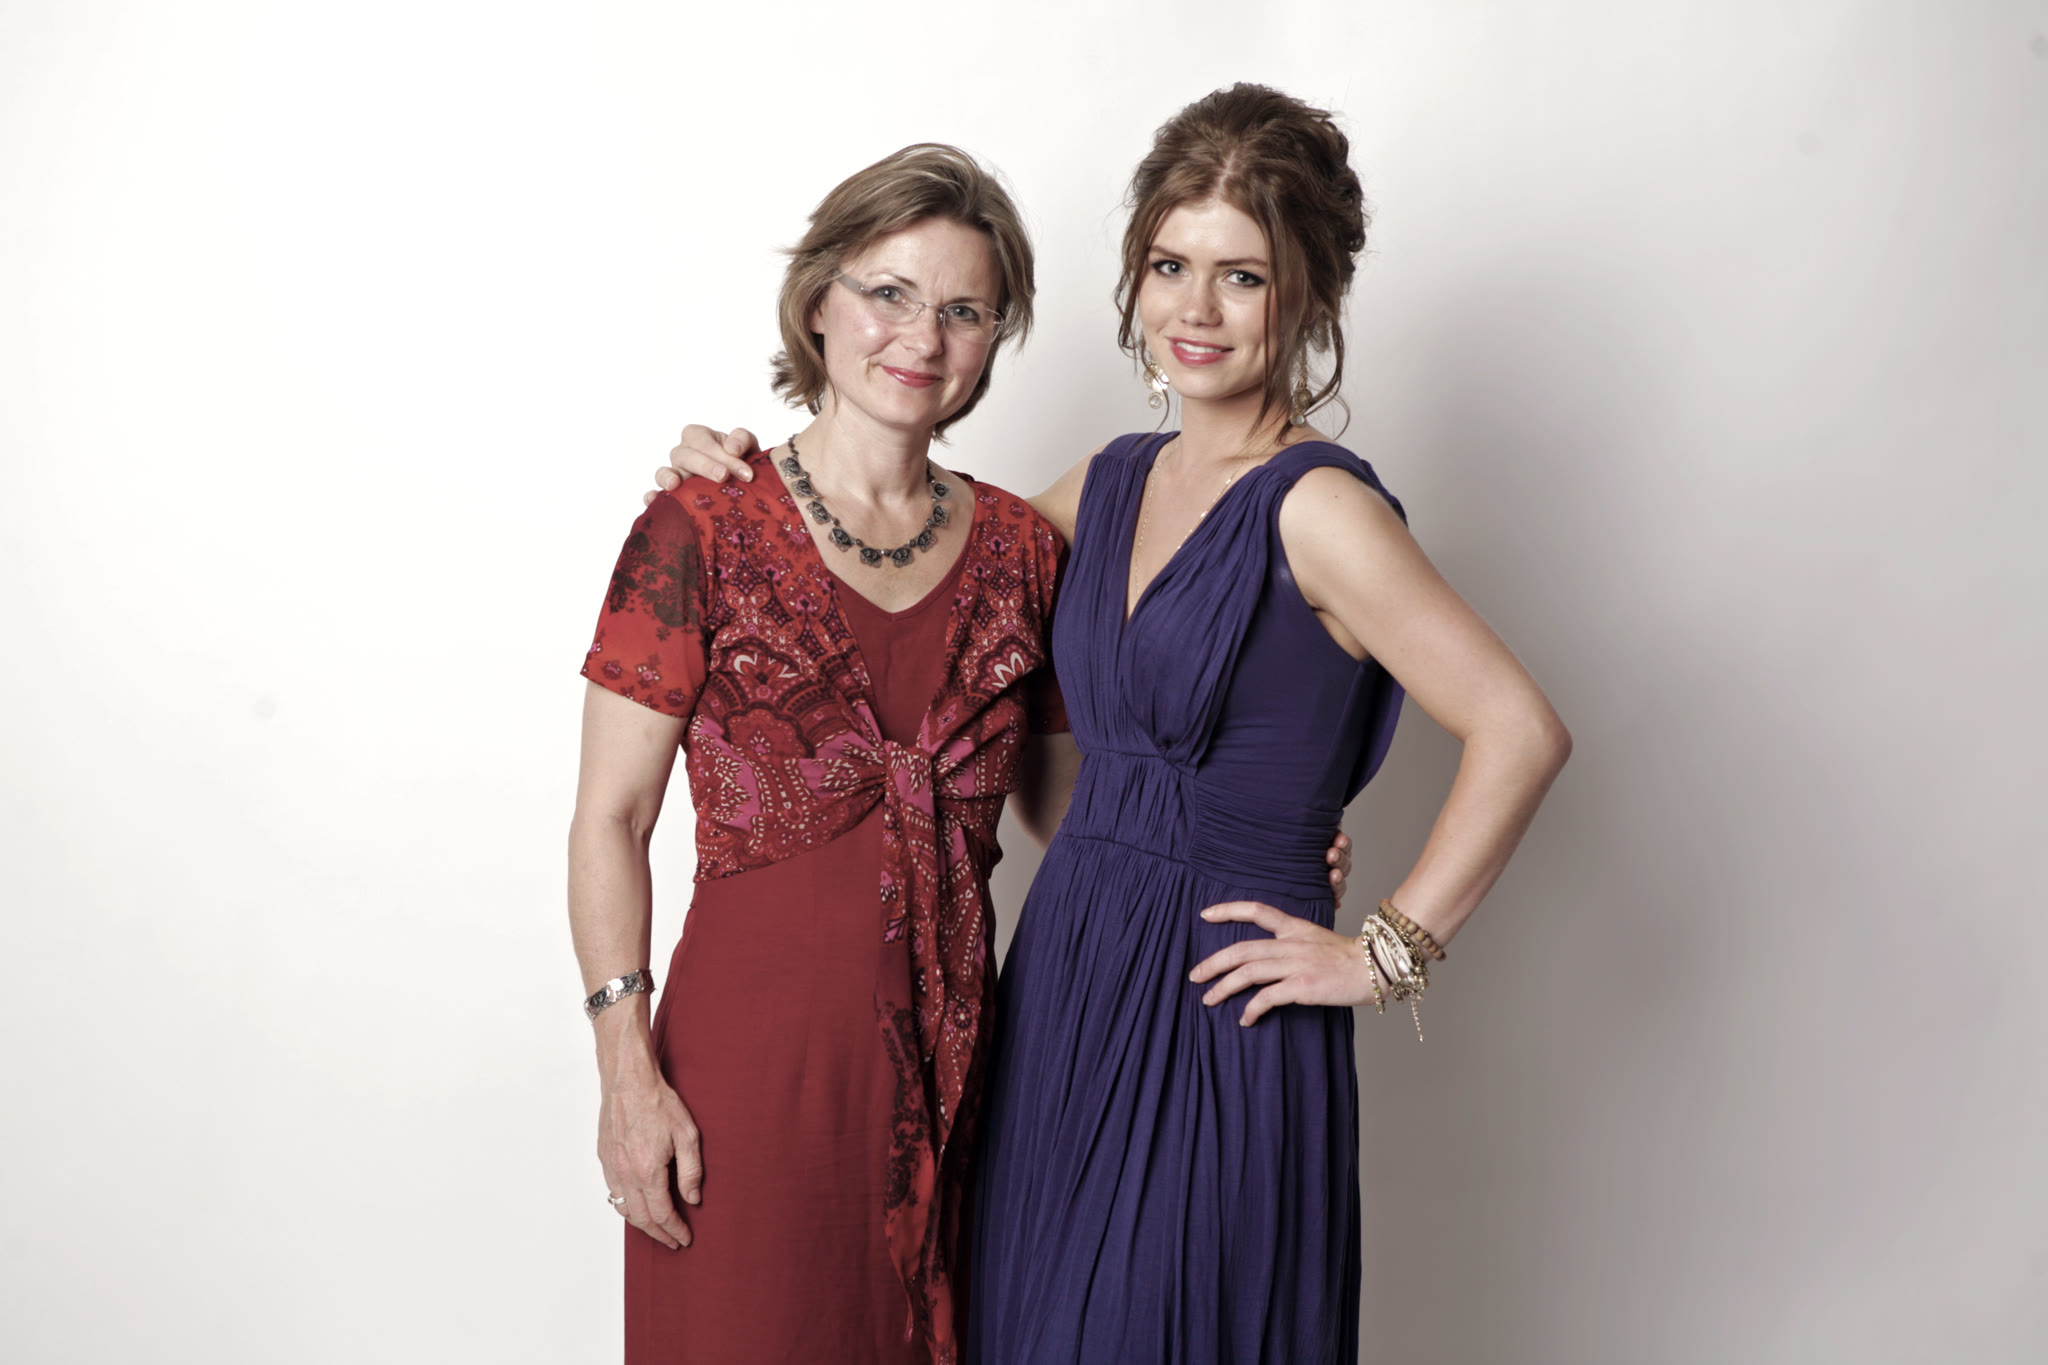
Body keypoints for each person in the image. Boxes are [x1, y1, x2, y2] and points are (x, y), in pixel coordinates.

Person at [655, 84, 1571, 1363]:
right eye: (1169, 266)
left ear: (1306, 298)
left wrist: (1382, 954)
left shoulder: (1319, 511)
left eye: (1241, 277)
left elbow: (1519, 728)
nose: (1195, 310)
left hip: (1217, 1002)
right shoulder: (1107, 482)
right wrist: (750, 487)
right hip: (1062, 980)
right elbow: (909, 568)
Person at [567, 143, 1065, 1365]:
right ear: (819, 303)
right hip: (742, 1089)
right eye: (889, 293)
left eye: (963, 311)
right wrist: (626, 1076)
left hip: (964, 1088)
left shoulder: (1022, 551)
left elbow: (1073, 812)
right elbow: (610, 820)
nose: (922, 338)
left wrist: (1257, 827)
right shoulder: (699, 525)